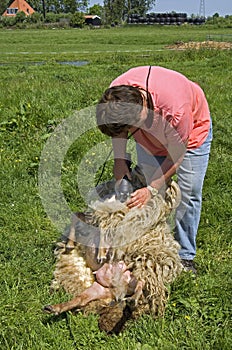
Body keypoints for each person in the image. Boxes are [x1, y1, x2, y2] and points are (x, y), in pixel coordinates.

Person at [96, 66, 212, 274]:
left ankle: (185, 255)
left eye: (129, 127)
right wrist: (120, 160)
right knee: (147, 190)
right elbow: (118, 129)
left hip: (190, 132)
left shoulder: (176, 108)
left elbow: (176, 155)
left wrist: (152, 188)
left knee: (189, 192)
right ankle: (148, 247)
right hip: (147, 133)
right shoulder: (115, 96)